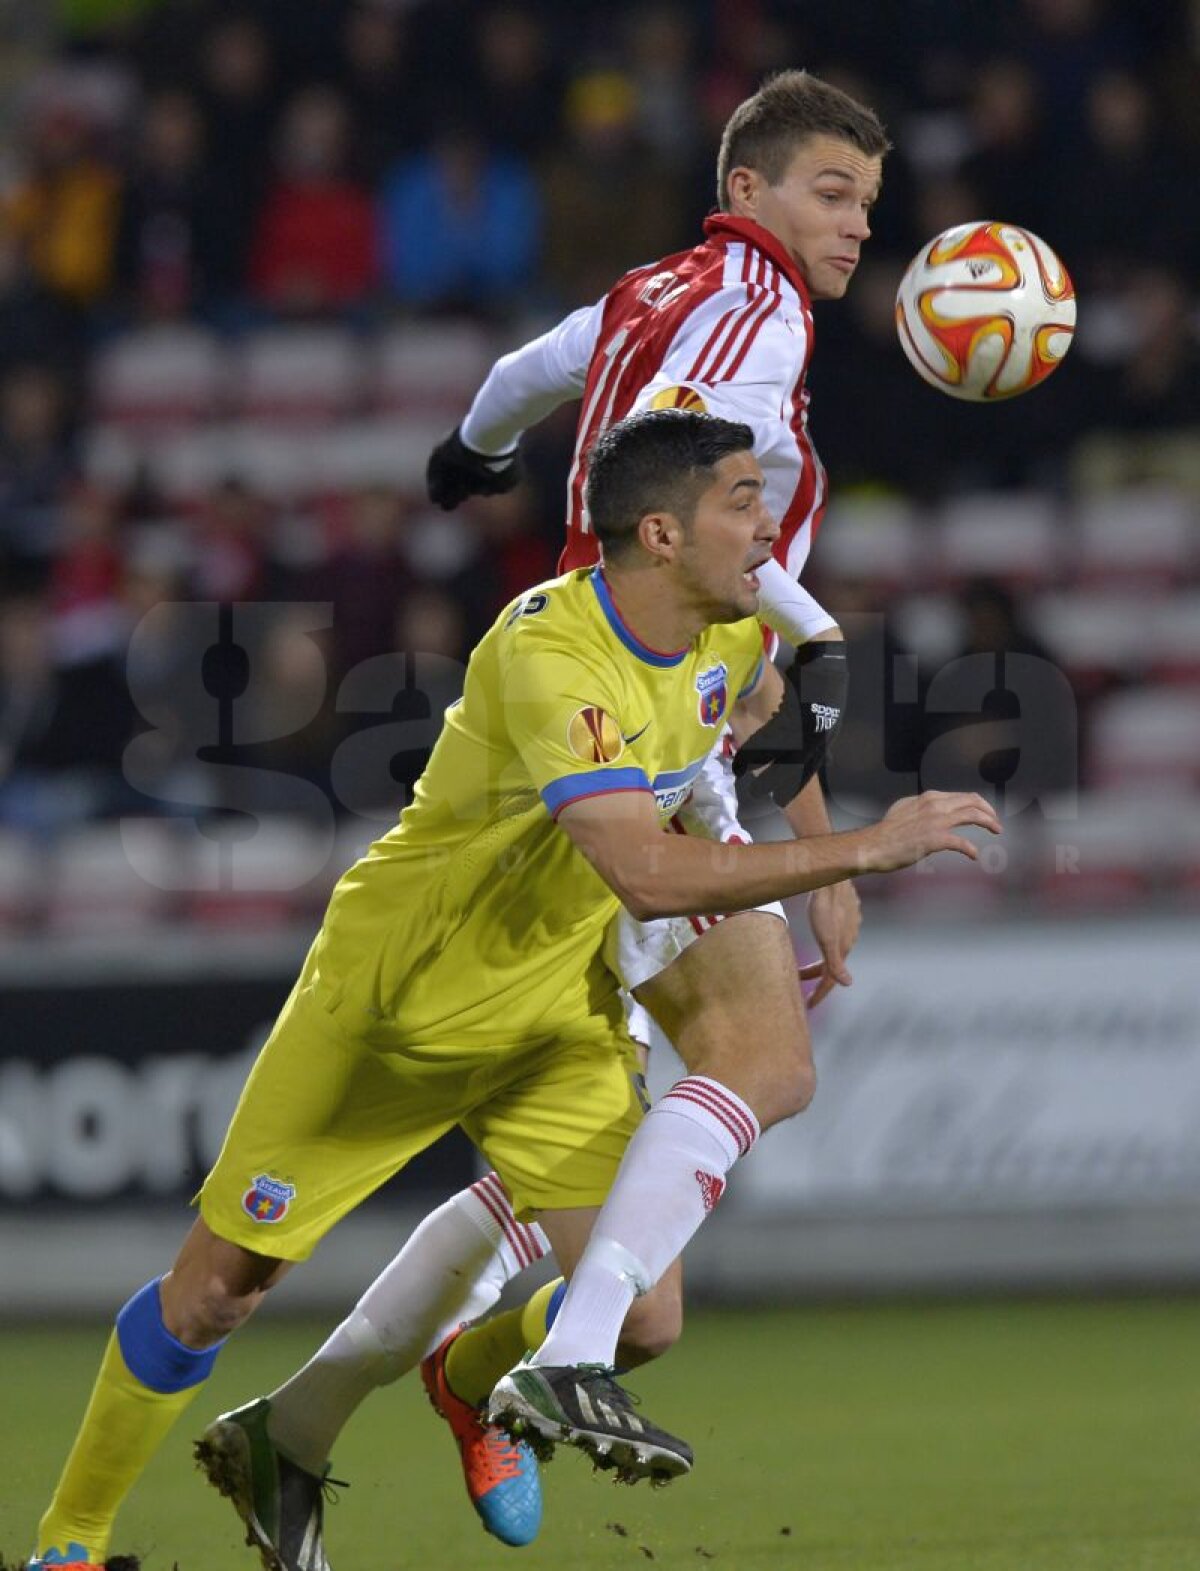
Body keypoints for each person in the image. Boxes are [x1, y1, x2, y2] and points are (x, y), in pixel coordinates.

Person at [27, 410, 999, 1571]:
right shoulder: (549, 655)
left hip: (552, 1021)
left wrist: (818, 840)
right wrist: (860, 855)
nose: (768, 525)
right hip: (395, 1007)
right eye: (742, 501)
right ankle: (68, 1544)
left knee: (644, 1317)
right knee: (218, 1291)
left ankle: (465, 1377)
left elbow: (752, 738)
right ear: (659, 531)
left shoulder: (729, 639)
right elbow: (640, 871)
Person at [194, 66, 895, 1564]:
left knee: (633, 1271)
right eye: (832, 194)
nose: (854, 226)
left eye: (870, 205)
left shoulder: (662, 285)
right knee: (762, 1060)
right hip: (633, 710)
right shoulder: (756, 316)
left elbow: (531, 368)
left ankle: (318, 1423)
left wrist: (471, 454)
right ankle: (540, 1365)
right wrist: (821, 650)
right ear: (753, 190)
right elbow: (704, 497)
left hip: (652, 696)